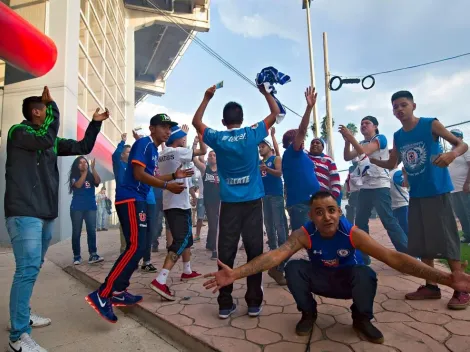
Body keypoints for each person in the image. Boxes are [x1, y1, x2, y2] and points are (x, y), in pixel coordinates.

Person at [203, 191, 470, 344]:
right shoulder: (304, 233)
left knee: (366, 273)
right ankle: (308, 314)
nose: (327, 216)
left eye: (331, 210)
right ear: (312, 216)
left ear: (339, 212)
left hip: (346, 282)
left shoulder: (352, 233)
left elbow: (394, 258)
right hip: (319, 278)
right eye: (319, 211)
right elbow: (274, 257)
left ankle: (361, 318)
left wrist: (447, 279)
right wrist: (235, 274)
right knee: (294, 267)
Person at [5, 86, 108, 352]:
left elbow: (83, 146)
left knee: (31, 269)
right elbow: (43, 137)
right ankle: (18, 335)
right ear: (37, 111)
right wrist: (55, 109)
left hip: (44, 214)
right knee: (26, 270)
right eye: (47, 109)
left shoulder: (48, 140)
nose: (50, 114)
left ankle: (22, 314)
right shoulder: (20, 132)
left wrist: (94, 125)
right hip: (25, 213)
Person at [85, 114, 193, 323]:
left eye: (170, 128)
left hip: (139, 199)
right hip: (130, 199)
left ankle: (118, 291)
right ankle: (103, 294)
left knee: (141, 247)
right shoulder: (144, 143)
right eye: (163, 127)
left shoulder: (152, 150)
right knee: (135, 246)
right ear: (152, 128)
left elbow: (151, 176)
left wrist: (173, 177)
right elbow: (138, 175)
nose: (168, 131)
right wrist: (166, 185)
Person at [370, 90, 470, 309]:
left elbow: (461, 145)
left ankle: (461, 289)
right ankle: (431, 286)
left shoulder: (430, 124)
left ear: (414, 106)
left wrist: (451, 155)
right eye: (395, 107)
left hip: (437, 191)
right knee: (423, 243)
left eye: (403, 105)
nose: (399, 110)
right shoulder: (398, 135)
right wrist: (374, 161)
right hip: (416, 195)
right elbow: (392, 163)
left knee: (448, 241)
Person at [192, 84, 280, 319]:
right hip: (253, 203)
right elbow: (275, 114)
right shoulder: (252, 134)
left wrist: (206, 96)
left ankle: (224, 304)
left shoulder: (218, 138)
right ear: (242, 119)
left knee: (226, 252)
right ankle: (253, 303)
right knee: (255, 252)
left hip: (229, 204)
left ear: (224, 121)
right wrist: (266, 93)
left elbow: (196, 122)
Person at [340, 117, 408, 264]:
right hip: (365, 187)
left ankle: (407, 255)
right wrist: (347, 142)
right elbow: (347, 157)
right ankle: (364, 257)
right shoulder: (362, 143)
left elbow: (363, 153)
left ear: (375, 126)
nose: (363, 125)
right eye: (361, 123)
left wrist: (351, 138)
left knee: (388, 220)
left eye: (367, 123)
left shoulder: (380, 139)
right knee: (360, 223)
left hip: (380, 186)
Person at [149, 126, 207, 300]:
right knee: (181, 241)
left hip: (169, 203)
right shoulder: (178, 151)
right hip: (180, 204)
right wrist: (200, 135)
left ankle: (187, 270)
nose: (184, 140)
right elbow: (203, 150)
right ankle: (161, 279)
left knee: (186, 239)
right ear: (177, 139)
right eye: (182, 137)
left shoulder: (163, 153)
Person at [281, 87, 320, 232]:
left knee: (312, 239)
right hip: (300, 204)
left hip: (311, 201)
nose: (302, 140)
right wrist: (309, 108)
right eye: (297, 138)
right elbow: (303, 130)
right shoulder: (292, 152)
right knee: (301, 240)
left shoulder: (304, 155)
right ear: (290, 142)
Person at [259, 133, 288, 285]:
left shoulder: (275, 159)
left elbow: (279, 173)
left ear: (269, 147)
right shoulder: (260, 162)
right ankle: (274, 253)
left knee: (279, 225)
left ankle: (283, 254)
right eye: (259, 147)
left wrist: (267, 169)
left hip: (276, 196)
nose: (260, 149)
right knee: (269, 226)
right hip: (265, 196)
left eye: (262, 146)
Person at [68, 157, 104, 265]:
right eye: (81, 163)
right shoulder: (74, 175)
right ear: (77, 165)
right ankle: (77, 256)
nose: (83, 164)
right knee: (76, 232)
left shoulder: (90, 174)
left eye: (85, 162)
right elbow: (78, 185)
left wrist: (92, 169)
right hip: (77, 207)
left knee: (91, 231)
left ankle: (93, 254)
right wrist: (84, 172)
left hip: (90, 207)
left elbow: (98, 181)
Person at [193, 149, 220, 260]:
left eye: (214, 155)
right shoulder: (205, 169)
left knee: (218, 225)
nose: (212, 157)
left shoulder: (222, 170)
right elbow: (194, 160)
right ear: (208, 158)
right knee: (213, 224)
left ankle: (210, 243)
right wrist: (195, 146)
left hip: (220, 201)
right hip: (209, 202)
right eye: (210, 155)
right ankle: (215, 249)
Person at [447, 129, 470, 244]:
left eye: (454, 136)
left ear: (460, 137)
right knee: (461, 214)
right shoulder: (451, 151)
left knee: (468, 212)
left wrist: (468, 183)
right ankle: (467, 235)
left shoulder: (465, 148)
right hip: (454, 188)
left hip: (463, 186)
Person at [112, 133, 131, 253]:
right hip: (122, 198)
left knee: (132, 226)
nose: (131, 154)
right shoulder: (119, 165)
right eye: (128, 152)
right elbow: (115, 155)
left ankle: (131, 249)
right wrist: (122, 142)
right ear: (123, 154)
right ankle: (124, 250)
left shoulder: (132, 167)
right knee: (124, 225)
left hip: (133, 199)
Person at [308, 137, 341, 204]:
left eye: (317, 143)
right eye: (312, 143)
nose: (314, 144)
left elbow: (336, 181)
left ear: (323, 147)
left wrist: (332, 198)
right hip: (305, 198)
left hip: (322, 198)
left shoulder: (329, 160)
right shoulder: (305, 156)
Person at [389, 166, 409, 236]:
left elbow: (405, 183)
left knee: (405, 231)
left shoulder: (396, 173)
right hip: (395, 207)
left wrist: (406, 175)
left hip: (403, 206)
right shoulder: (388, 173)